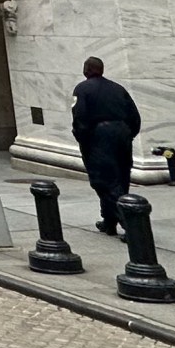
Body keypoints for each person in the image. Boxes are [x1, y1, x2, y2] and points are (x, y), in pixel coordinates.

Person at [71, 56, 143, 238]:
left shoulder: (82, 89)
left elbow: (80, 116)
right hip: (122, 135)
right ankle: (109, 220)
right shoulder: (118, 89)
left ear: (87, 70)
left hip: (99, 137)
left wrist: (83, 138)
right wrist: (128, 134)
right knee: (121, 176)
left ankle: (130, 225)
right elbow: (134, 117)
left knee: (105, 181)